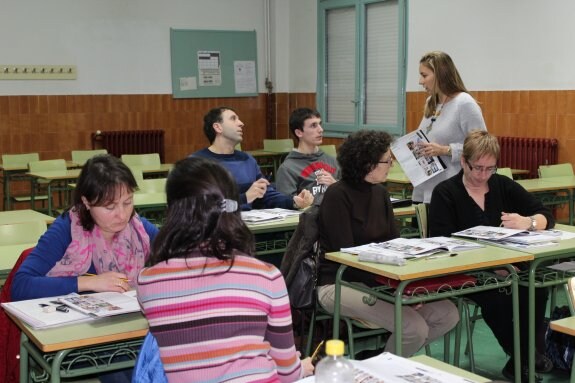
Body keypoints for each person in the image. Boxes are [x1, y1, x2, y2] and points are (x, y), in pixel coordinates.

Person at [136, 157, 314, 382]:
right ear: (233, 208)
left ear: (171, 211)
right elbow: (287, 372)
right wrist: (301, 368)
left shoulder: (147, 281)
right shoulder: (266, 276)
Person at [10, 154, 159, 383]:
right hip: (78, 341)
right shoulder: (66, 229)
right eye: (110, 207)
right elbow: (20, 286)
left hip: (123, 330)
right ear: (87, 203)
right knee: (128, 370)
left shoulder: (137, 227)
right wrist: (88, 282)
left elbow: (175, 251)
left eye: (128, 202)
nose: (122, 214)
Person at [317, 130, 459, 357]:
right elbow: (346, 258)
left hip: (381, 281)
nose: (391, 165)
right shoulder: (337, 195)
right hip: (340, 283)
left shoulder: (380, 193)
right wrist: (396, 294)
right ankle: (381, 371)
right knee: (413, 328)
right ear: (367, 164)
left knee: (448, 314)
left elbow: (394, 245)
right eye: (387, 160)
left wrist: (407, 288)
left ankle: (381, 358)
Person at [428, 130, 554, 382]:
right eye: (478, 168)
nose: (484, 175)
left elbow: (546, 215)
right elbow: (441, 243)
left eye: (490, 168)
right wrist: (489, 266)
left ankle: (524, 358)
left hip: (510, 266)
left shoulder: (502, 185)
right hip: (466, 272)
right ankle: (525, 357)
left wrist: (527, 222)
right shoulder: (445, 192)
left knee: (537, 287)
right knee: (498, 297)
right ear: (463, 162)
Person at [192, 106, 313, 211]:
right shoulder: (197, 163)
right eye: (233, 119)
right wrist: (245, 198)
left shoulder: (247, 160)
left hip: (248, 227)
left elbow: (266, 195)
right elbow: (201, 206)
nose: (241, 123)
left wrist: (293, 202)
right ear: (218, 127)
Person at [413, 51, 486, 204]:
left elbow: (482, 147)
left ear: (440, 75)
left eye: (424, 75)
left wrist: (446, 150)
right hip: (425, 189)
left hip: (451, 192)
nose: (420, 81)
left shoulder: (464, 103)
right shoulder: (431, 102)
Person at [276, 108, 340, 204]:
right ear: (299, 133)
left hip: (335, 215)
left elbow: (349, 193)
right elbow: (285, 205)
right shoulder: (288, 168)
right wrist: (301, 202)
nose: (320, 130)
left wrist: (335, 185)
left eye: (320, 124)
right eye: (313, 126)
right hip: (309, 217)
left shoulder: (332, 161)